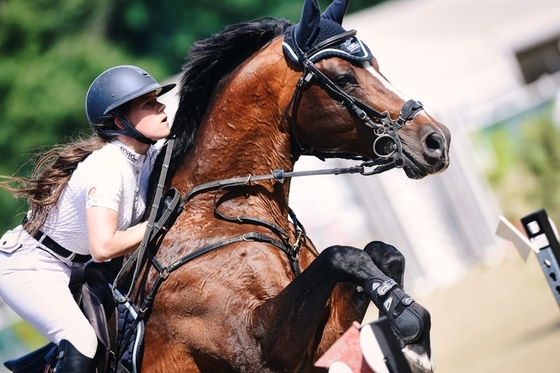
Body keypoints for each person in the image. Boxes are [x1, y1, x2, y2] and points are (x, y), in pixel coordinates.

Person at [0, 65, 175, 372]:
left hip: (75, 265)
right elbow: (104, 247)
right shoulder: (107, 166)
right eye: (148, 103)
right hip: (31, 265)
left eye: (157, 99)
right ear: (120, 121)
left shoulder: (145, 156)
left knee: (112, 339)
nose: (161, 106)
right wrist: (157, 224)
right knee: (81, 340)